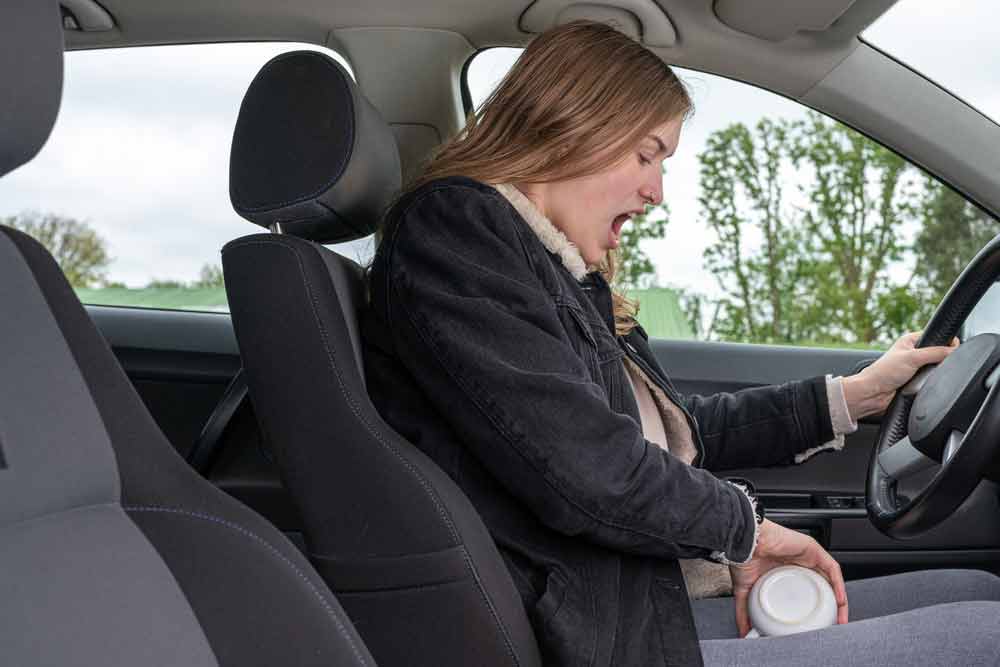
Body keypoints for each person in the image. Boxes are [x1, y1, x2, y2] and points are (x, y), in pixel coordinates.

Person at [363, 19, 1000, 666]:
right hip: (602, 635)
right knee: (987, 635)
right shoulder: (455, 234)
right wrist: (744, 531)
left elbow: (682, 435)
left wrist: (855, 396)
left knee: (980, 592)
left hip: (646, 599)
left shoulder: (559, 274)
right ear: (567, 125)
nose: (656, 192)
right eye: (646, 155)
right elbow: (592, 469)